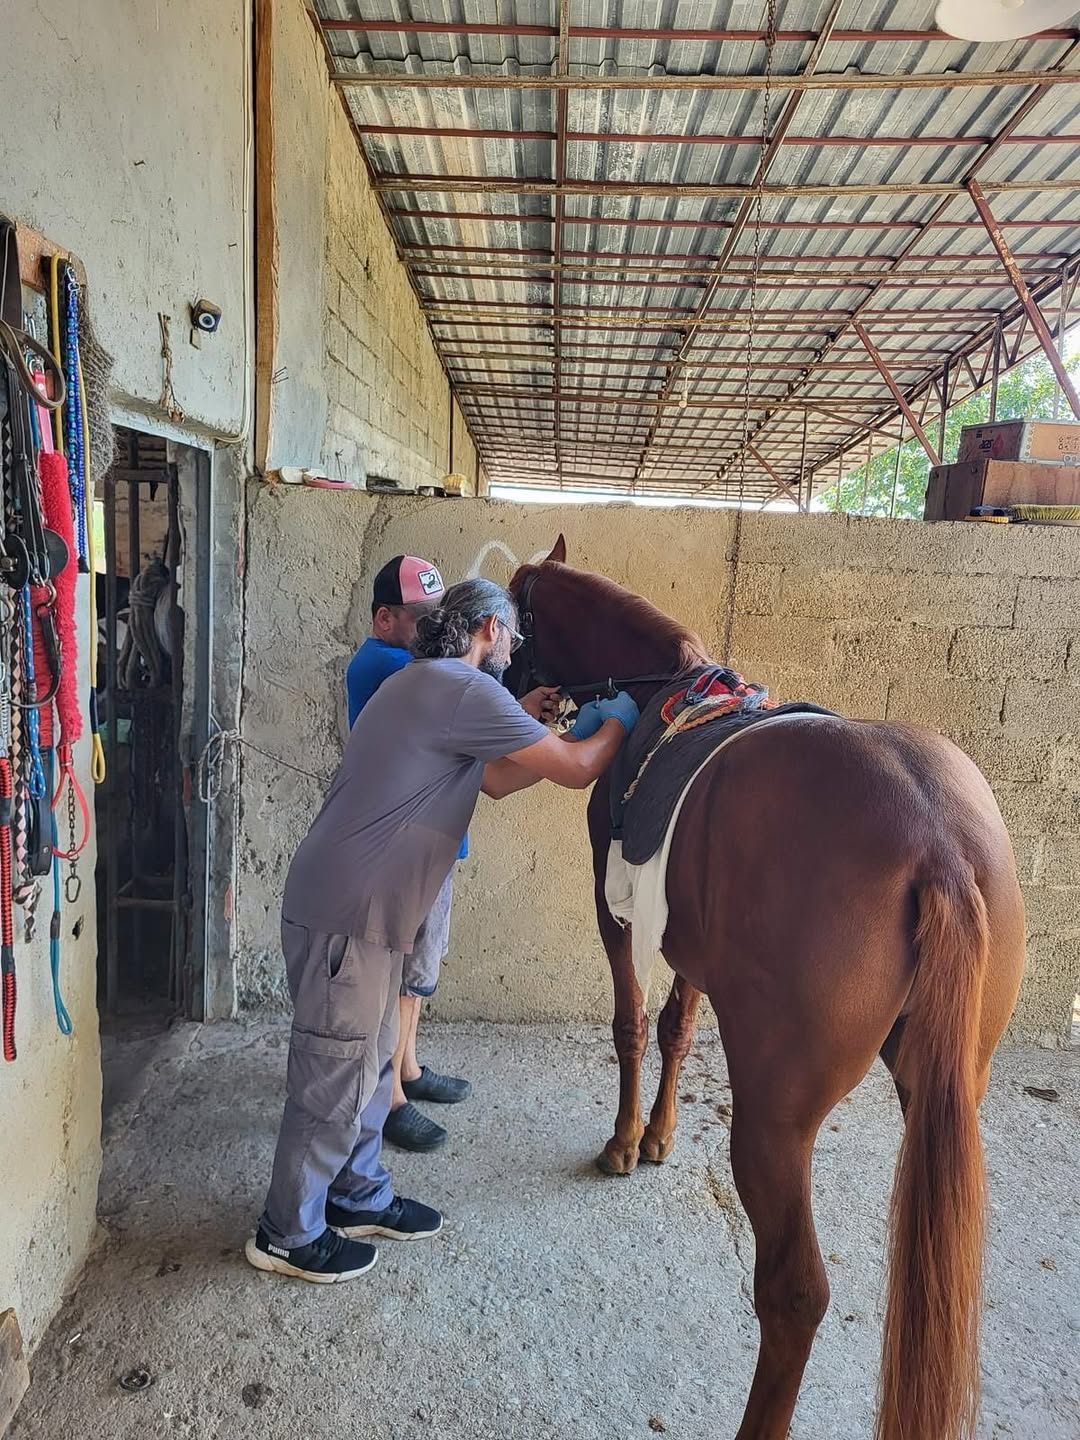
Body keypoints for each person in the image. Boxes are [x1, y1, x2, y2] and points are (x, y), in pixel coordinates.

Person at [247, 578, 639, 1283]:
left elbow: (495, 780)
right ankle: (286, 1233)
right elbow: (579, 771)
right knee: (333, 1076)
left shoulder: (428, 683)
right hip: (350, 913)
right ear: (490, 628)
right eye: (513, 636)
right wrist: (615, 725)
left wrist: (550, 729)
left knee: (371, 1064)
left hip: (367, 910)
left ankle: (357, 1196)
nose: (515, 648)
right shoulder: (461, 690)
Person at [345, 555, 559, 1153]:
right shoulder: (392, 666)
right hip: (406, 843)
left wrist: (516, 707)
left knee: (417, 970)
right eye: (420, 617)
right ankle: (390, 1097)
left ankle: (407, 1068)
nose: (434, 628)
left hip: (431, 838)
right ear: (384, 619)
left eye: (436, 615)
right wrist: (525, 713)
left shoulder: (425, 669)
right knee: (397, 977)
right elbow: (468, 711)